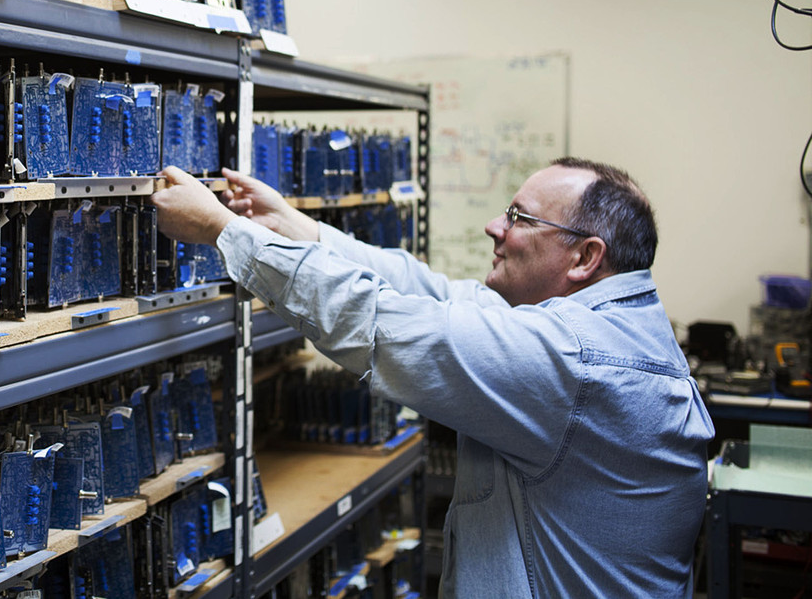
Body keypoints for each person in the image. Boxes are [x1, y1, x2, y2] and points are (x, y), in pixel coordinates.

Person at [152, 157, 714, 599]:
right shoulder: (604, 326)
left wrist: (224, 230)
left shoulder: (575, 363)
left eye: (519, 218)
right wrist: (297, 229)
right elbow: (434, 295)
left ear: (585, 257)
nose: (494, 226)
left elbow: (381, 321)